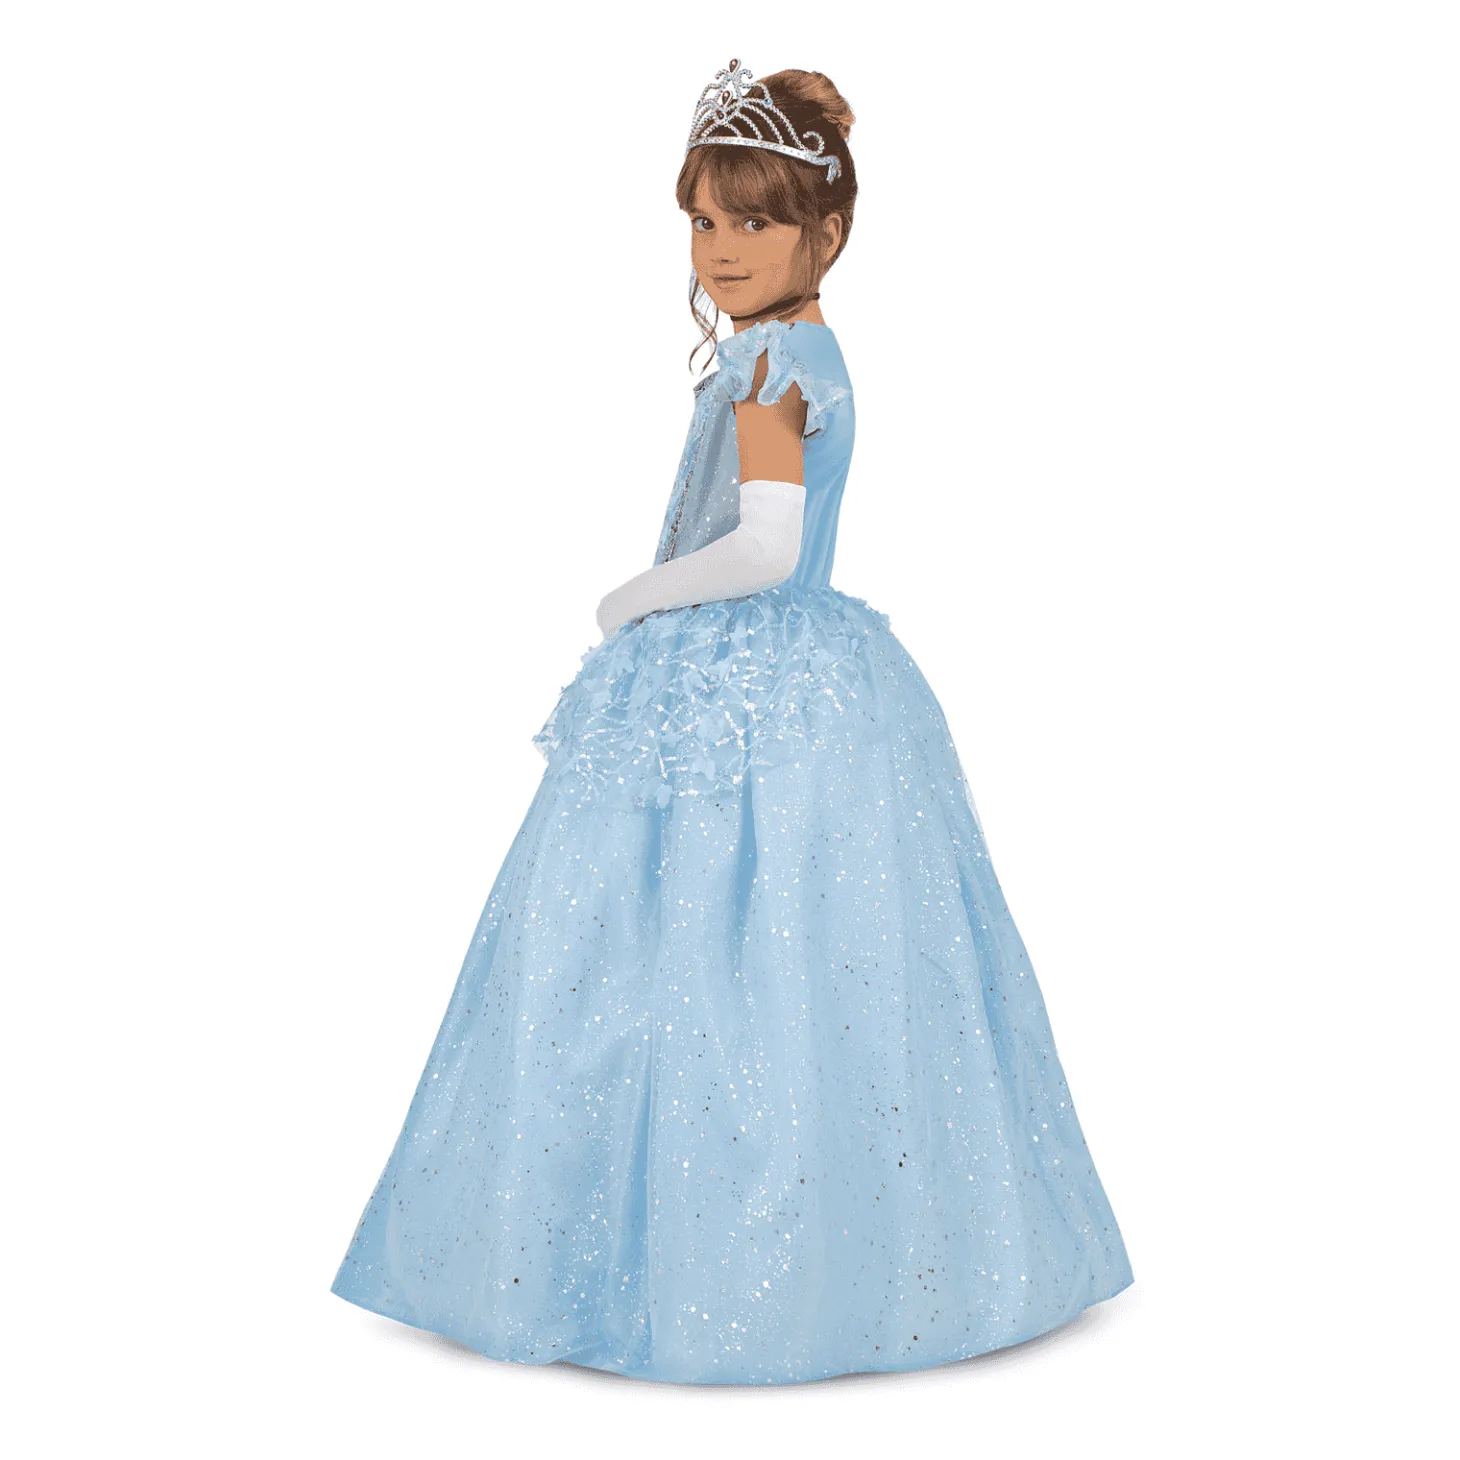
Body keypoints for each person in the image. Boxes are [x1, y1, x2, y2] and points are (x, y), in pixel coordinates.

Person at [331, 58, 1133, 1385]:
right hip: (806, 678)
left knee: (702, 932)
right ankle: (864, 1248)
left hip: (739, 672)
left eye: (756, 220)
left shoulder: (771, 361)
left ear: (829, 231)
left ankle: (701, 1261)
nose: (722, 249)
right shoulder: (807, 351)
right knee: (811, 945)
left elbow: (765, 543)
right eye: (704, 220)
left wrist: (629, 599)